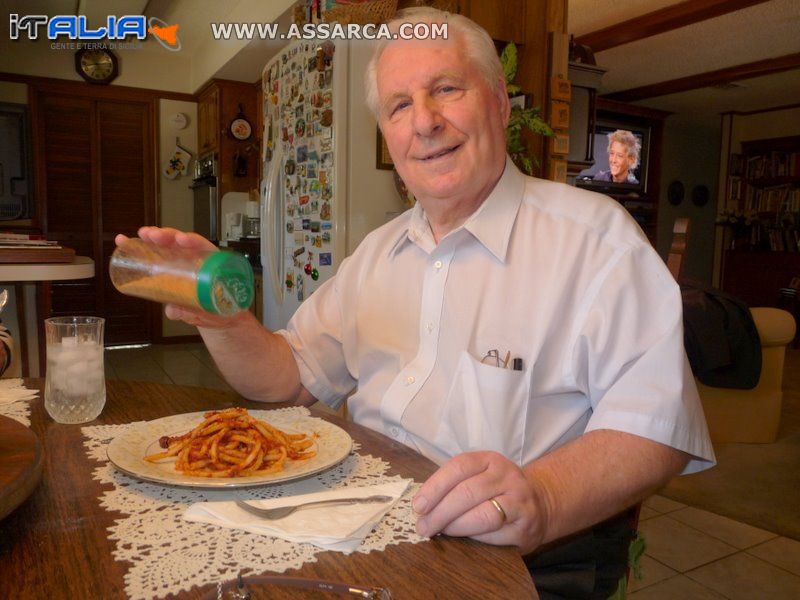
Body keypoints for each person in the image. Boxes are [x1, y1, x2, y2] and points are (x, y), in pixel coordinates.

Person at [117, 7, 714, 597]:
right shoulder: (376, 253)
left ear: (501, 103)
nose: (424, 122)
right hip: (366, 532)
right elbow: (286, 379)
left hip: (524, 560)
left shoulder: (596, 239)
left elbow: (655, 428)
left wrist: (545, 497)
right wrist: (221, 318)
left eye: (446, 89)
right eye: (400, 106)